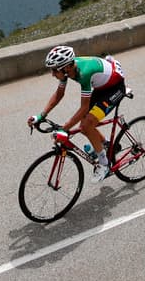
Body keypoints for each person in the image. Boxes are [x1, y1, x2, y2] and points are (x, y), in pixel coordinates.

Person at [29, 45, 127, 182]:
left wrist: (64, 129)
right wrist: (41, 116)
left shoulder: (83, 73)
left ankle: (104, 165)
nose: (52, 74)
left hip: (115, 88)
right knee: (83, 127)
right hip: (102, 87)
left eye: (54, 70)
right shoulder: (67, 70)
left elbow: (83, 109)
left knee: (86, 125)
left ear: (67, 67)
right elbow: (59, 94)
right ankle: (106, 144)